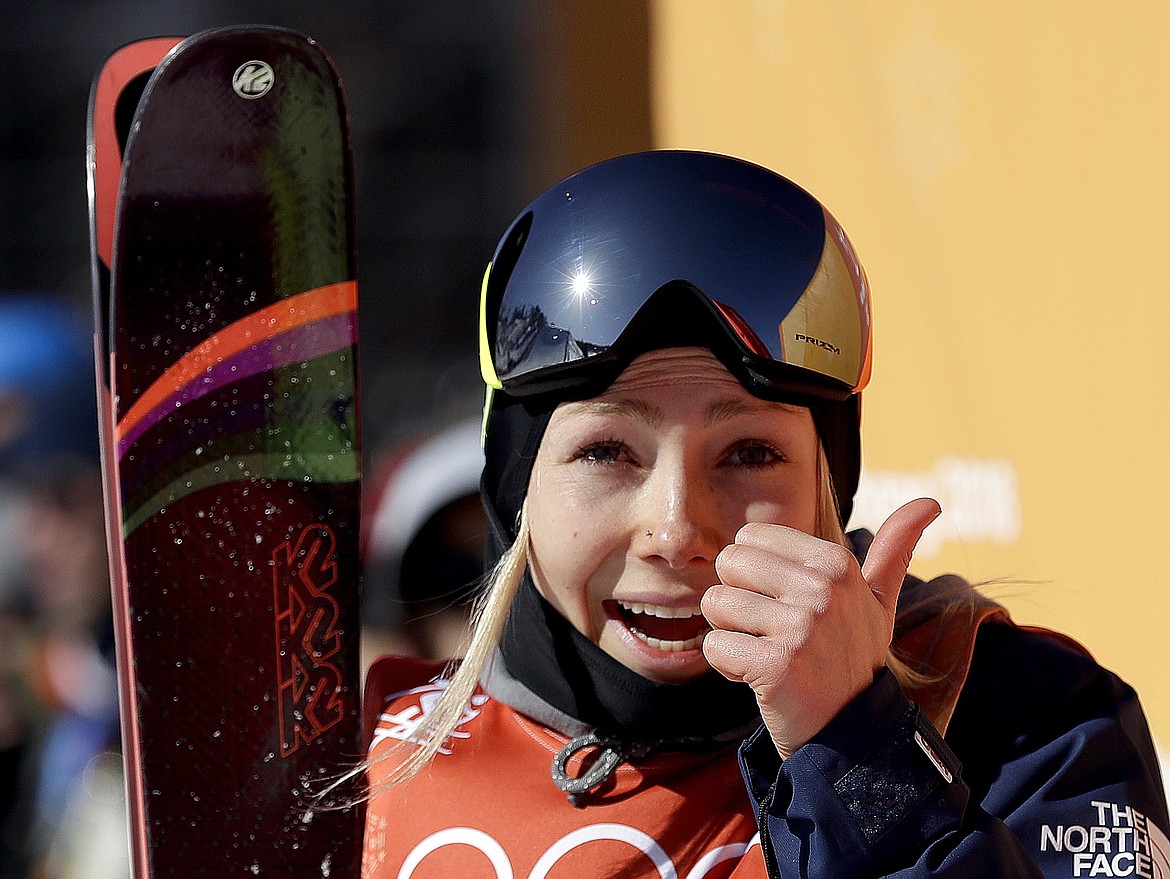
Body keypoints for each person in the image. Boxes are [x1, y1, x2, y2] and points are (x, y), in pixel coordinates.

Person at [360, 150, 1168, 878]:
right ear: (516, 483)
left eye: (748, 453)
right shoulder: (370, 759)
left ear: (829, 475)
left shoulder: (1022, 714)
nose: (676, 530)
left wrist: (858, 753)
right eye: (607, 452)